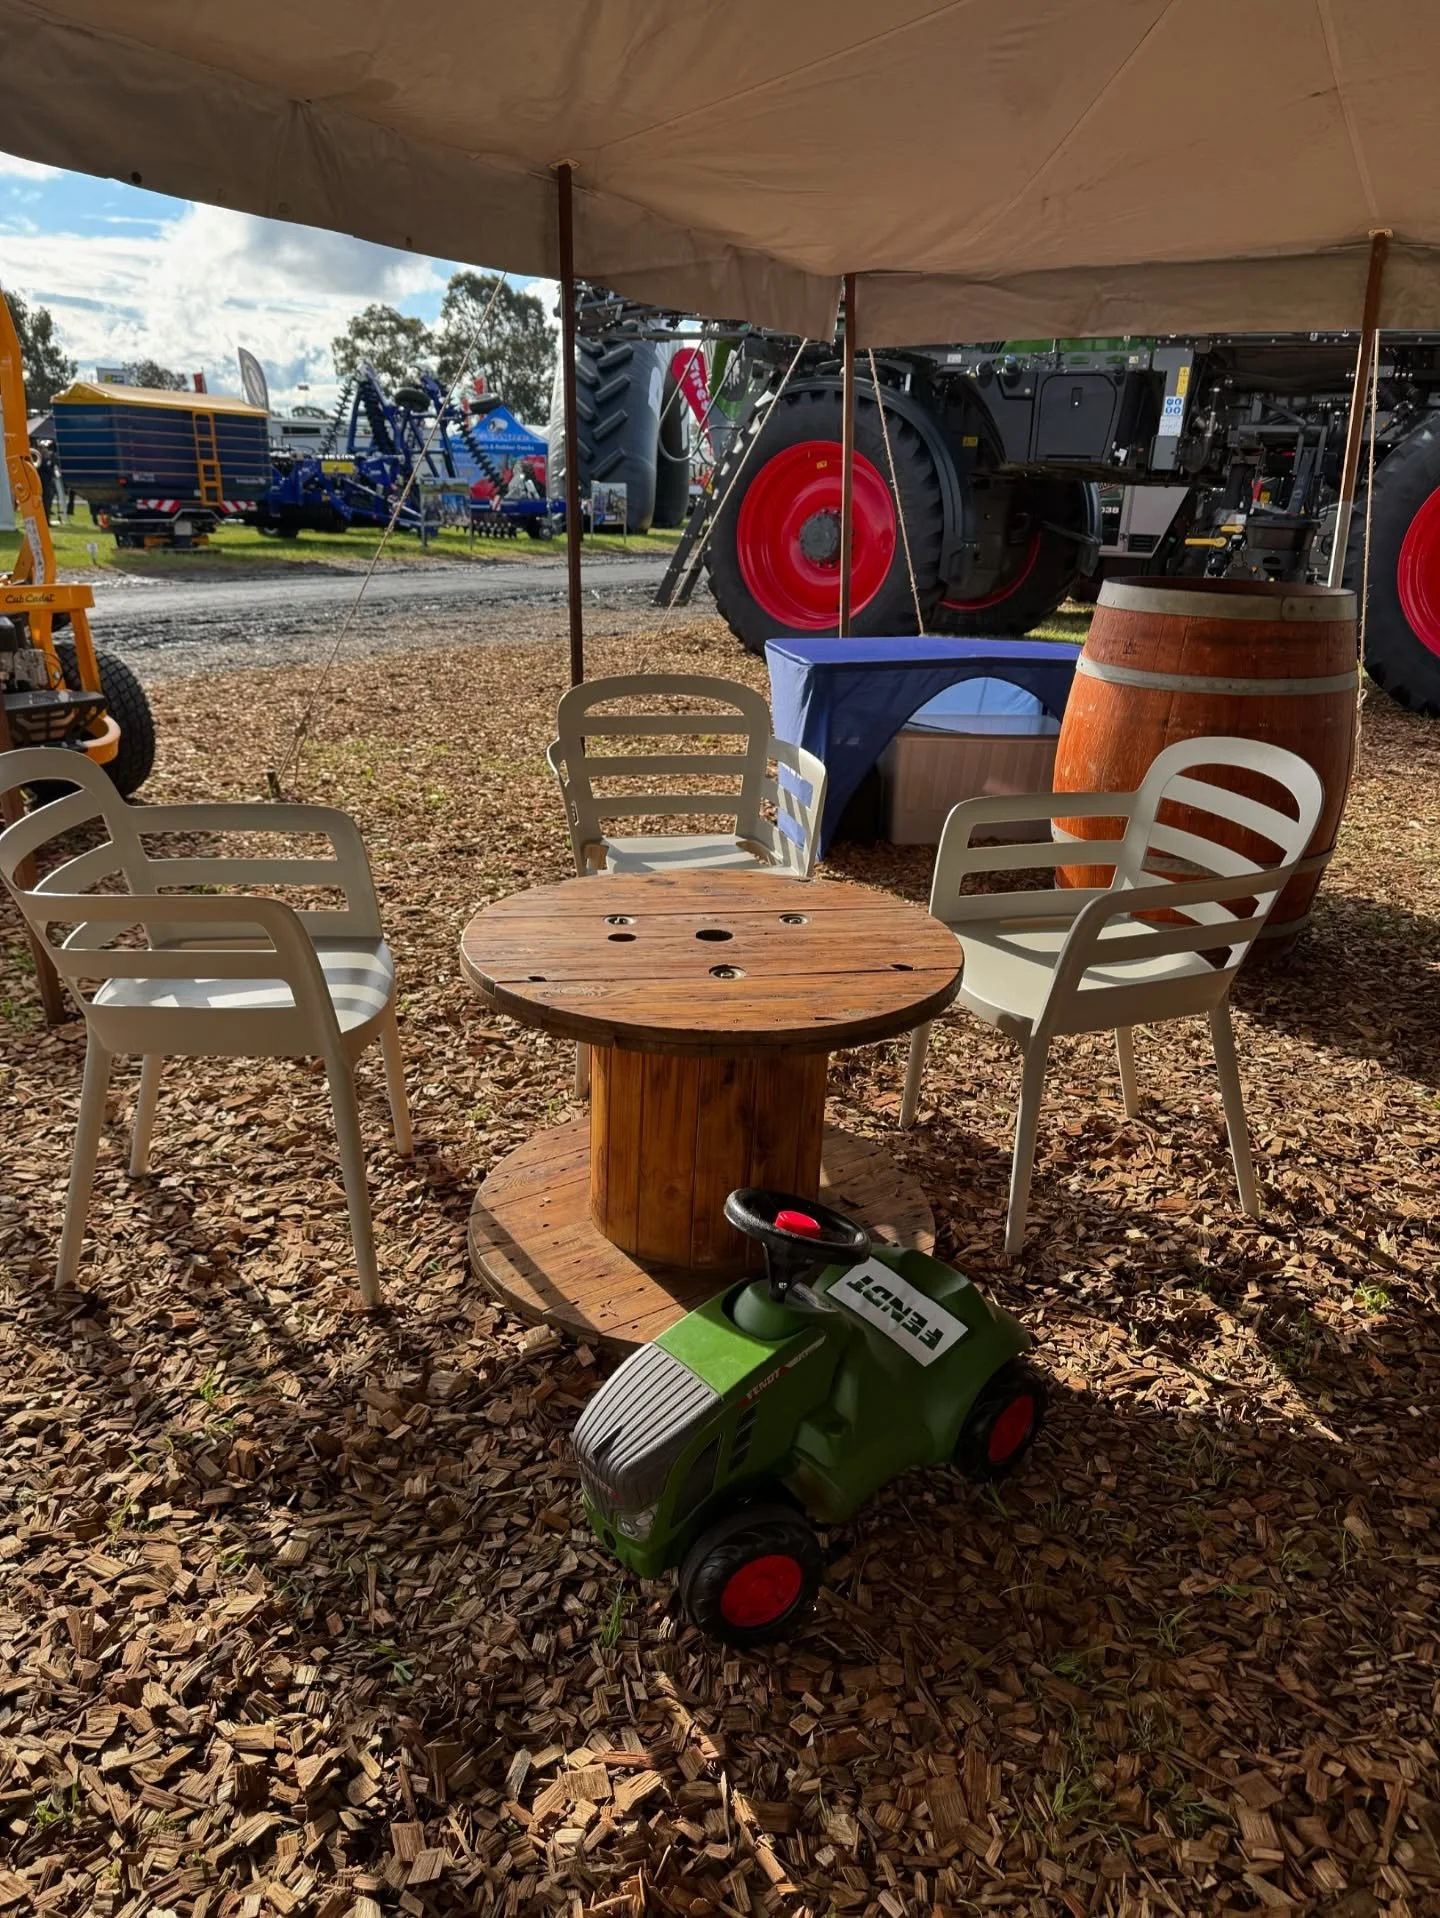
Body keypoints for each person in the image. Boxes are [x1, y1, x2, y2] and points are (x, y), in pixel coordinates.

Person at [36, 442, 58, 522]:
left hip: (40, 483)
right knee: (47, 503)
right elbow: (49, 470)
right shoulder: (46, 460)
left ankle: (44, 519)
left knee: (44, 503)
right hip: (46, 483)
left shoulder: (37, 460)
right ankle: (46, 520)